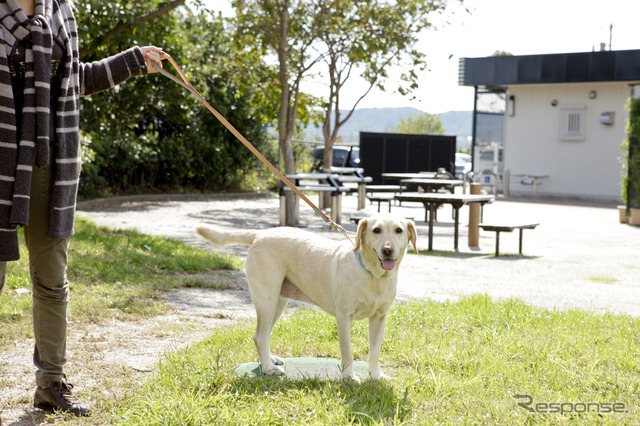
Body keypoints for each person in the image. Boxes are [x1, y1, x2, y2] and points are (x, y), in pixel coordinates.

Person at [0, 0, 168, 416]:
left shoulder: (62, 11)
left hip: (50, 163)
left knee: (52, 279)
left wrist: (133, 61)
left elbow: (73, 79)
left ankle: (51, 384)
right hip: (1, 160)